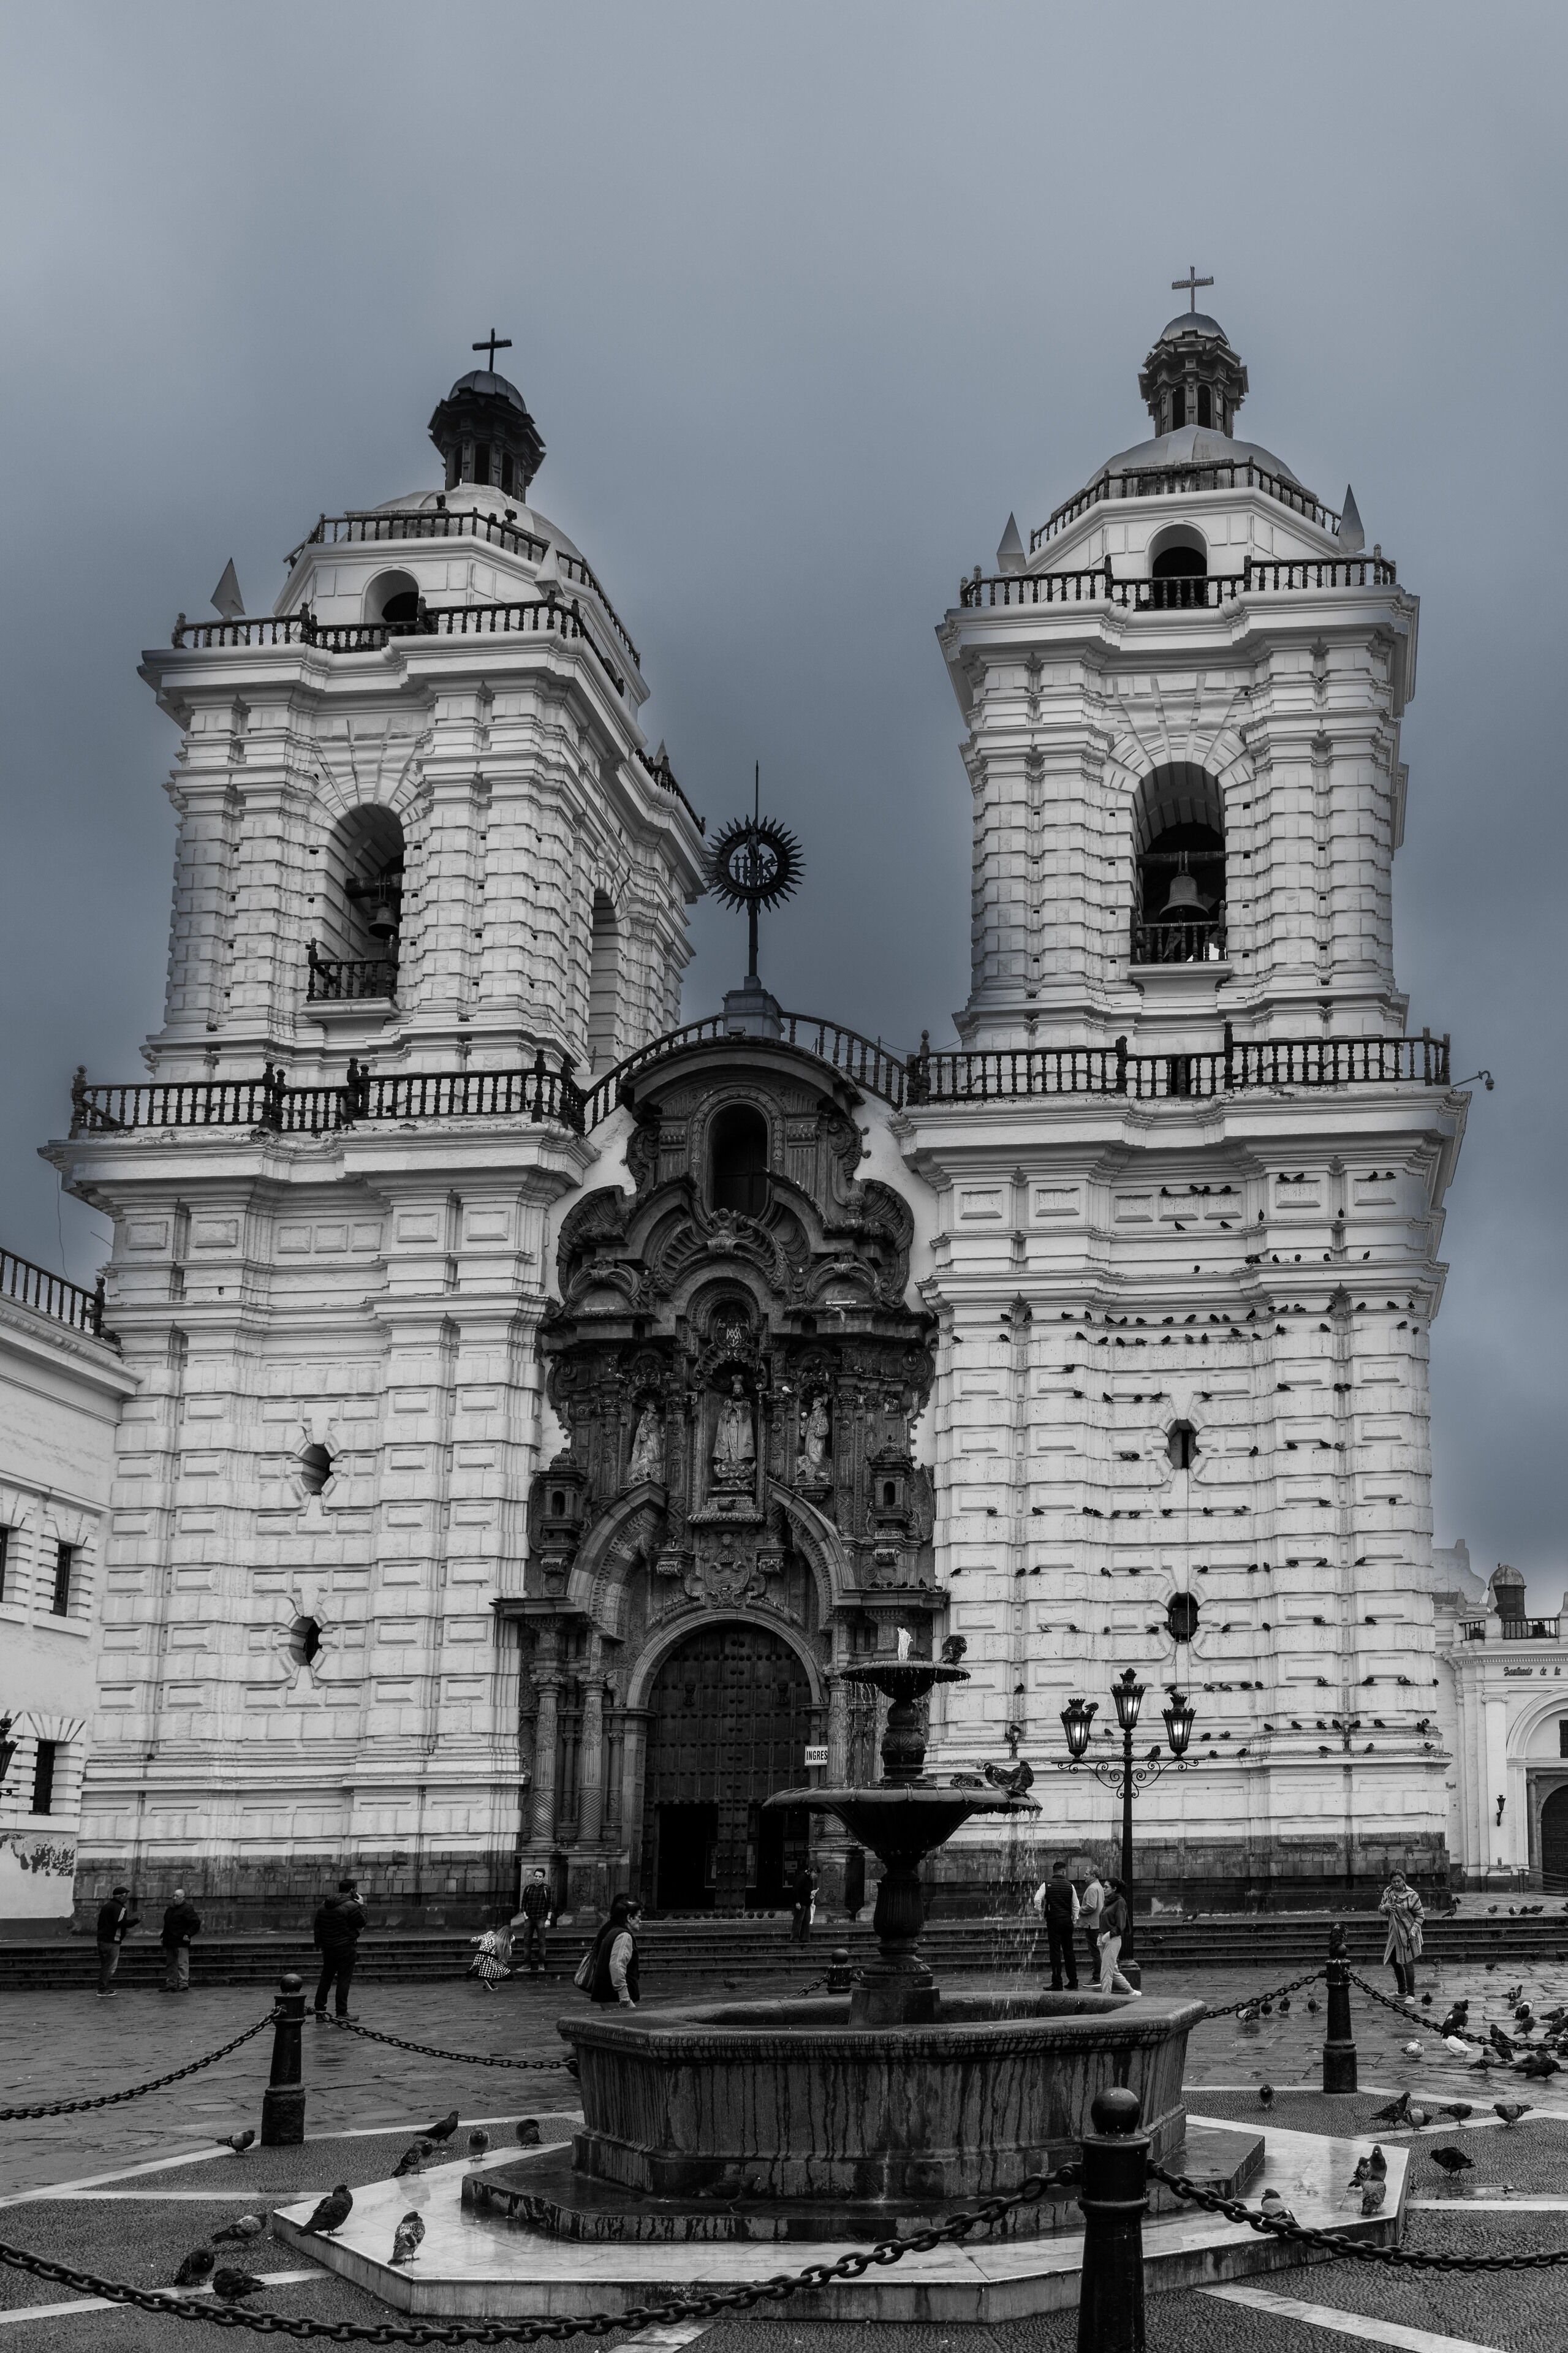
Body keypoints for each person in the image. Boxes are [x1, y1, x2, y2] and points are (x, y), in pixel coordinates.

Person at [312, 1877, 367, 2020]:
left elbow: (317, 1927)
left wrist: (320, 1944)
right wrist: (362, 1905)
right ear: (352, 1890)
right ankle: (341, 2012)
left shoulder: (324, 1905)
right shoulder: (352, 1906)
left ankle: (319, 2011)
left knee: (326, 1979)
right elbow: (362, 1921)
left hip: (328, 1948)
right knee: (344, 1980)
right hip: (345, 1947)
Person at [588, 1894, 643, 2007]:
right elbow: (617, 1965)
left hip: (607, 1995)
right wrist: (624, 1995)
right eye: (638, 1917)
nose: (640, 1921)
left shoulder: (612, 1931)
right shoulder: (624, 1936)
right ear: (629, 1918)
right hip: (615, 1996)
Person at [1379, 1869, 1425, 1999]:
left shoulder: (1412, 1895)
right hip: (1394, 1933)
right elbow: (1381, 1908)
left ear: (1403, 1880)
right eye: (1394, 1882)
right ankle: (1402, 1990)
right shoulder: (1388, 1892)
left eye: (1399, 1881)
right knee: (1394, 1960)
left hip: (1409, 1932)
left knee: (1408, 1962)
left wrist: (1413, 1931)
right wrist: (1385, 1907)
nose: (1396, 1884)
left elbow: (1421, 1915)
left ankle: (1411, 1995)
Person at [1034, 1860, 1079, 1991]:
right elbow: (1076, 1905)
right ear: (1064, 1871)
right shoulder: (1070, 1886)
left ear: (1053, 1872)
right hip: (1067, 1922)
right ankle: (1073, 1981)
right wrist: (1074, 1920)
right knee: (1069, 1952)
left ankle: (1057, 1982)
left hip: (1054, 1921)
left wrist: (1040, 1911)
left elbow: (1037, 1899)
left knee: (1055, 1953)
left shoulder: (1046, 1885)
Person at [1096, 1879, 1141, 1998]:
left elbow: (1121, 1924)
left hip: (1112, 1939)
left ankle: (1105, 1998)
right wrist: (1101, 1936)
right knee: (1113, 1970)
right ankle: (1131, 1991)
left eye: (1106, 1887)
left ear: (1114, 1889)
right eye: (1104, 1887)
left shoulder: (1120, 1902)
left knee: (1106, 1971)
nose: (1104, 1889)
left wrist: (1109, 1934)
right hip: (1103, 1938)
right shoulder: (1108, 1901)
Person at [95, 1885, 138, 1996]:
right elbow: (120, 1923)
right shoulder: (121, 1909)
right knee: (110, 1966)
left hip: (102, 1939)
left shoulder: (106, 1907)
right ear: (121, 1897)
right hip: (113, 1940)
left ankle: (102, 1987)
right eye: (126, 1896)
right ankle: (103, 1989)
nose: (127, 1898)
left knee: (105, 1965)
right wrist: (136, 1921)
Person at [160, 1888, 202, 1992]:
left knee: (182, 1963)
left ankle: (183, 1983)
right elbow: (167, 1924)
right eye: (173, 1896)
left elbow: (196, 1923)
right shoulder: (170, 1909)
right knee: (171, 1964)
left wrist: (188, 1934)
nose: (174, 1898)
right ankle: (171, 1983)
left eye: (177, 1896)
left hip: (181, 1940)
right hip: (170, 1940)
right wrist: (163, 1936)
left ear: (183, 1898)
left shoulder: (187, 1909)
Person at [515, 1869, 554, 1975]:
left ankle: (541, 1964)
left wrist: (548, 1919)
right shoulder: (528, 1888)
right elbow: (524, 1903)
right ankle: (527, 1964)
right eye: (536, 1876)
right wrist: (525, 1915)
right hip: (530, 1918)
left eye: (540, 1877)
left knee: (542, 1941)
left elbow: (550, 1905)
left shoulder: (547, 1889)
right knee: (527, 1941)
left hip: (542, 1918)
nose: (537, 1878)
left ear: (543, 1878)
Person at [468, 1919, 514, 1992]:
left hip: (478, 1966)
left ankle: (489, 1983)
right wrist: (510, 1943)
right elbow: (508, 1956)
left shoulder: (489, 1935)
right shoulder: (504, 1943)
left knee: (495, 1963)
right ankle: (488, 1980)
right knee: (510, 1973)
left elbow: (473, 1940)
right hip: (488, 1969)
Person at [1078, 1867, 1105, 1988]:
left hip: (1092, 1924)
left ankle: (1097, 1977)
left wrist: (1078, 1910)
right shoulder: (1098, 1886)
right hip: (1097, 1923)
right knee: (1097, 1951)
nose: (1084, 1876)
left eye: (1086, 1874)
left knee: (1095, 1952)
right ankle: (1100, 1976)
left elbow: (1091, 1906)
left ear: (1093, 1876)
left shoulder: (1092, 1888)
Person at [790, 1860, 818, 1944]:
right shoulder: (802, 1878)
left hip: (806, 1903)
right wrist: (797, 1902)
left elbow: (806, 1890)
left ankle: (805, 1937)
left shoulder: (809, 1879)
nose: (816, 1877)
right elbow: (796, 1890)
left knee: (806, 1920)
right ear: (812, 1872)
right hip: (801, 1903)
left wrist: (812, 1893)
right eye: (815, 1874)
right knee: (798, 1920)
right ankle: (795, 1937)